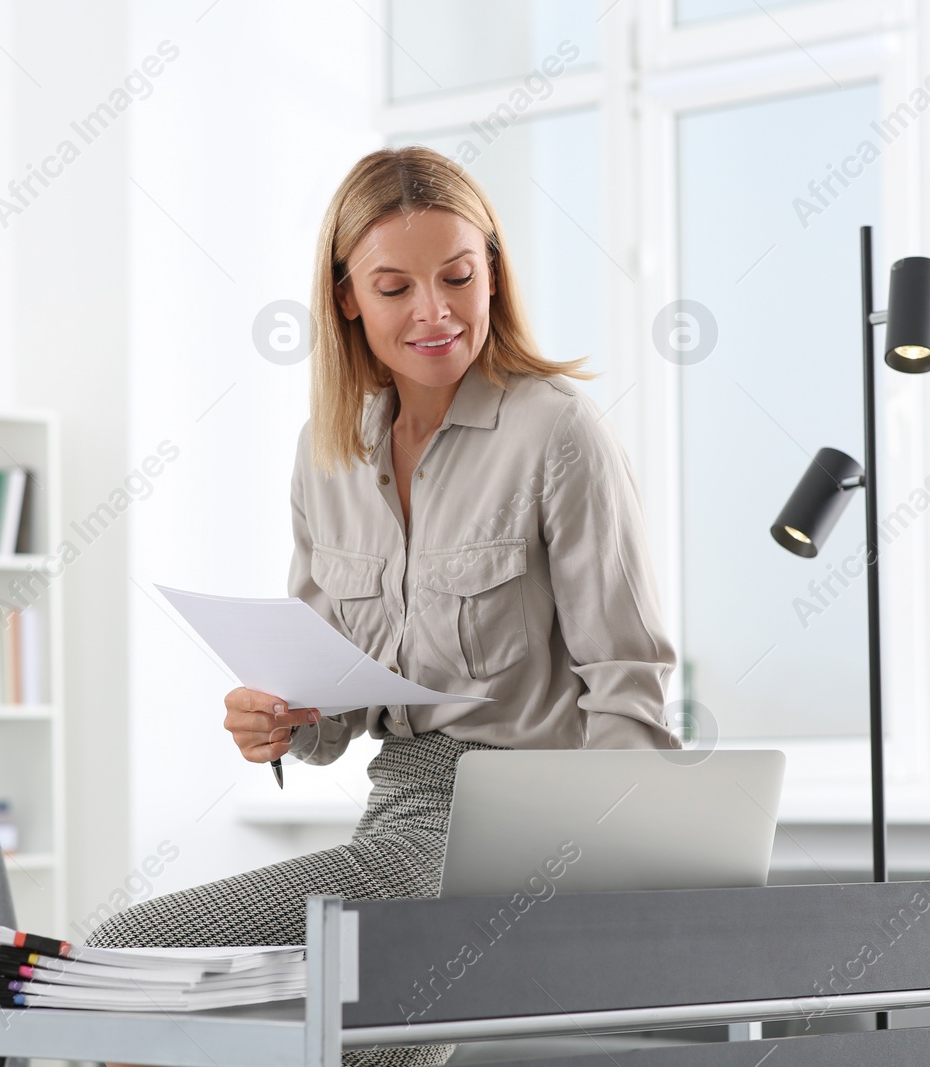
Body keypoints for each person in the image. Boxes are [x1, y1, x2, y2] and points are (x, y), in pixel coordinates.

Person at [89, 144, 680, 1067]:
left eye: (457, 277)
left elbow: (628, 681)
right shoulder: (327, 452)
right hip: (398, 815)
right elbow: (332, 705)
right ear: (347, 299)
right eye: (395, 286)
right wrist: (277, 719)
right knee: (336, 1049)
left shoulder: (558, 433)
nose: (434, 312)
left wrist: (596, 885)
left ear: (493, 274)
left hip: (513, 827)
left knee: (124, 958)